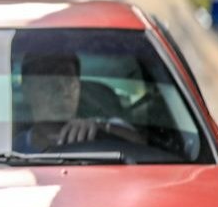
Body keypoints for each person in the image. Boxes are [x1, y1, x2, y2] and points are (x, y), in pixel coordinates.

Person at [13, 53, 143, 153]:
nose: (63, 90)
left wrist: (99, 130)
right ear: (26, 89)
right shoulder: (10, 150)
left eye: (69, 80)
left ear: (79, 87)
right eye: (49, 81)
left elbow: (143, 148)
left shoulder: (103, 129)